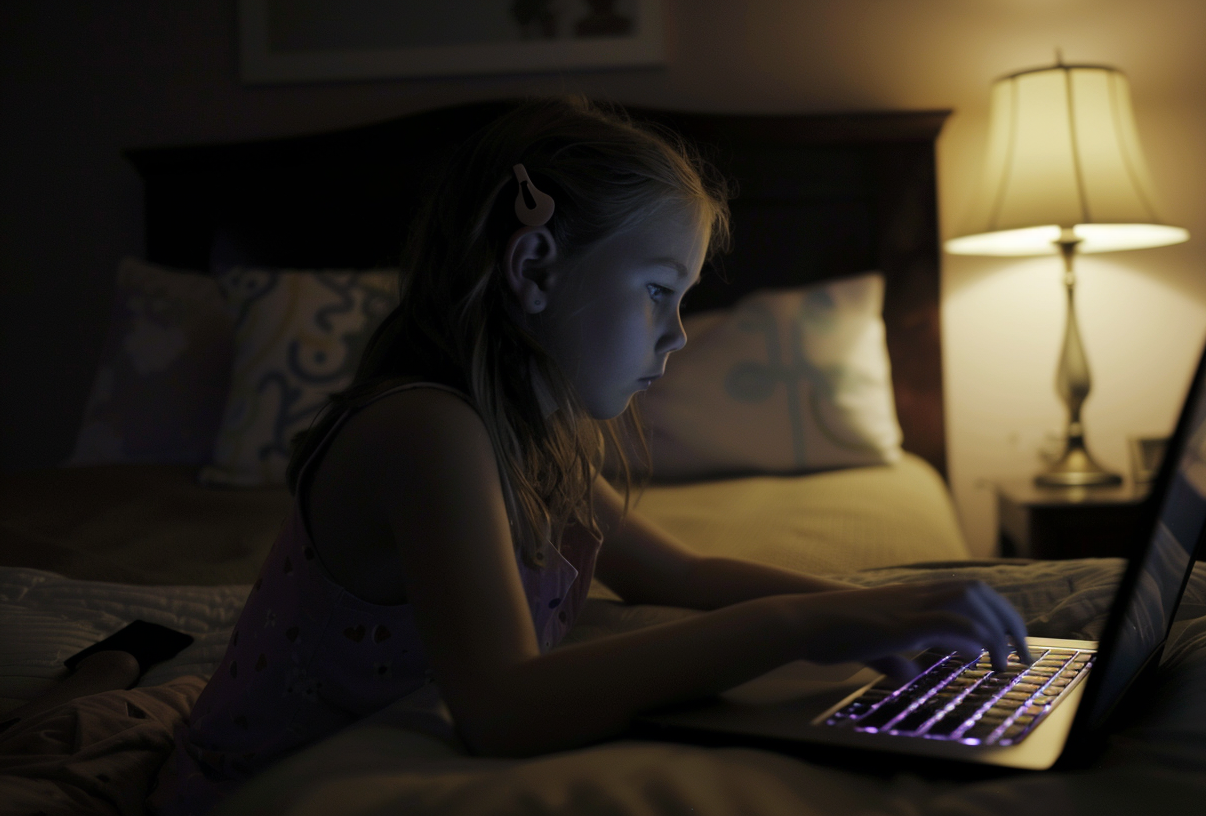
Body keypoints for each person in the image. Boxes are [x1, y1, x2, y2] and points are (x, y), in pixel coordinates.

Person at [162, 98, 1028, 814]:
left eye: (682, 299)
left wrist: (885, 610)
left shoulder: (537, 435)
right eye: (658, 292)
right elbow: (502, 708)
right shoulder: (426, 431)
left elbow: (678, 575)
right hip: (252, 793)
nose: (678, 333)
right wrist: (795, 628)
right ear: (534, 266)